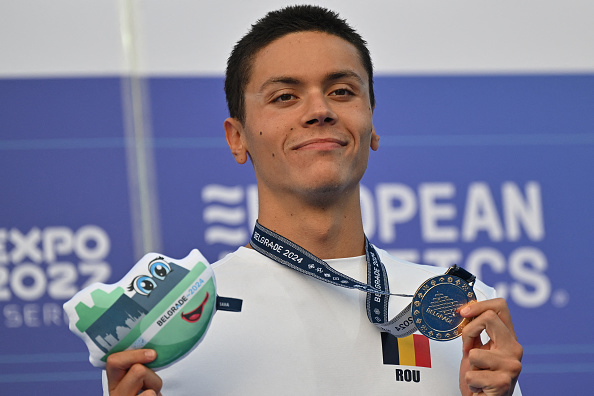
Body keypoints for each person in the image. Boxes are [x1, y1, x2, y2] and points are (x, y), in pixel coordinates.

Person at [104, 5, 523, 395]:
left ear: (372, 125)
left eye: (342, 91)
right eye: (285, 96)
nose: (319, 110)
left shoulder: (462, 311)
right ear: (238, 138)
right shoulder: (165, 328)